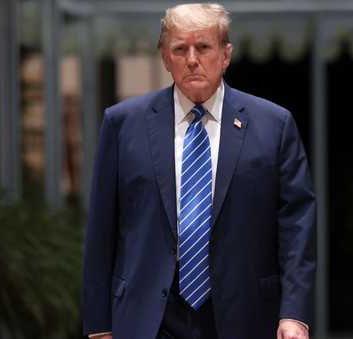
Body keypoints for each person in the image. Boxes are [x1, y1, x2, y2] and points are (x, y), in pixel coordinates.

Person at [82, 3, 316, 339]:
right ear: (165, 57)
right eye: (180, 49)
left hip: (243, 314)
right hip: (148, 317)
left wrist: (294, 314)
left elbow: (297, 227)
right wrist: (98, 324)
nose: (192, 59)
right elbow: (102, 227)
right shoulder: (123, 125)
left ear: (225, 55)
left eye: (204, 47)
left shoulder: (273, 125)